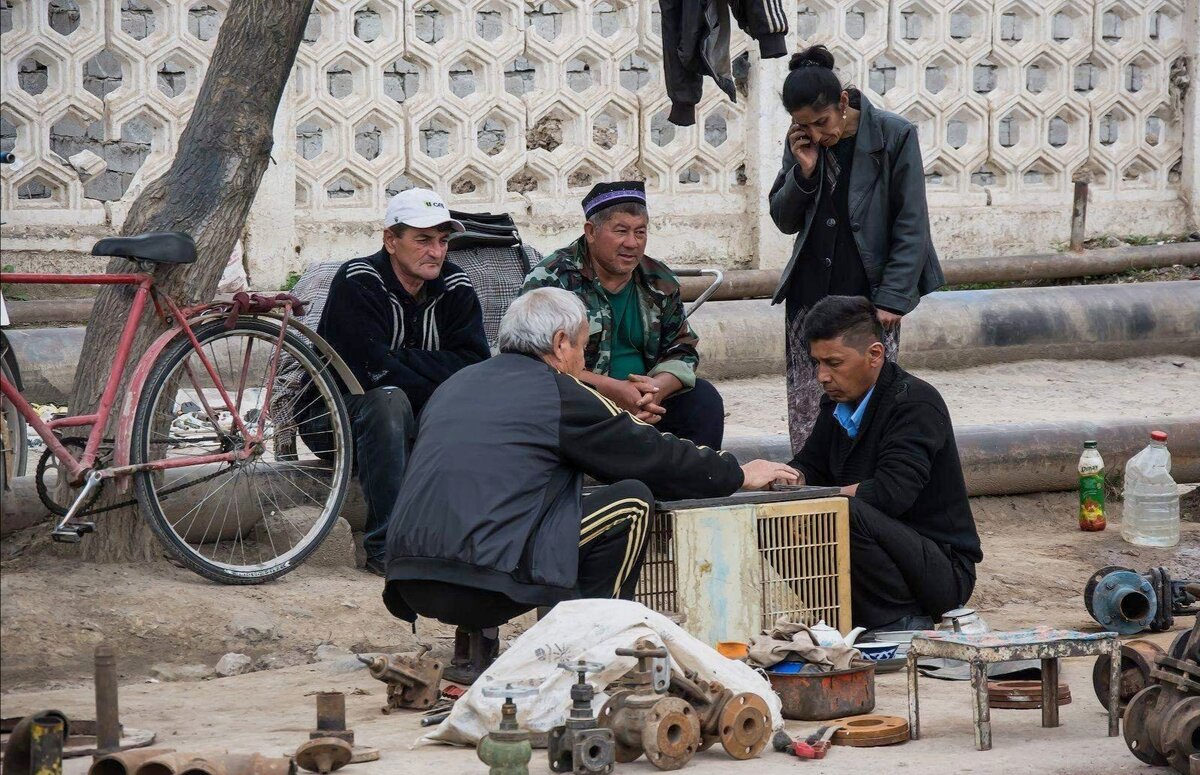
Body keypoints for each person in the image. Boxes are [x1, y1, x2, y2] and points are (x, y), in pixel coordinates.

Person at [382, 287, 798, 671]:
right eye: (583, 345)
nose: (584, 360)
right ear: (561, 343)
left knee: (514, 506)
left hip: (410, 577)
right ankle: (599, 648)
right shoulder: (559, 392)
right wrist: (736, 473)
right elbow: (651, 457)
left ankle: (474, 650)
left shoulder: (455, 385)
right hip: (482, 586)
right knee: (631, 502)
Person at [769, 45, 943, 452]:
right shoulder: (802, 142)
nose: (816, 133)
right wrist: (804, 172)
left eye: (822, 121)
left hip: (869, 298)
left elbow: (912, 222)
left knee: (870, 402)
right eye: (803, 125)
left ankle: (864, 492)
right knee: (811, 406)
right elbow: (783, 219)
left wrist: (894, 298)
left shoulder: (894, 135)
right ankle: (813, 491)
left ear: (843, 102)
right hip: (808, 296)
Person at [310, 188, 490, 575]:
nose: (436, 252)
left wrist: (398, 362)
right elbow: (368, 372)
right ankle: (387, 549)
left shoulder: (456, 285)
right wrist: (434, 369)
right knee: (388, 400)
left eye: (443, 241)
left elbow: (475, 366)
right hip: (335, 422)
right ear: (391, 240)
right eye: (423, 240)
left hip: (416, 423)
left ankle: (467, 542)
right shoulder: (359, 280)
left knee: (476, 405)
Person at [787, 296, 981, 633]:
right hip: (890, 552)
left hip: (941, 571)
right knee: (773, 513)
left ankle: (899, 619)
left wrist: (817, 499)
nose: (821, 376)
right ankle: (847, 615)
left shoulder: (915, 403)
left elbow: (892, 493)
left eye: (834, 363)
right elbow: (809, 466)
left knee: (841, 510)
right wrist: (781, 480)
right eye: (816, 363)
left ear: (874, 355)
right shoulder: (836, 404)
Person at [521, 181, 725, 449]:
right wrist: (609, 389)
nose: (632, 243)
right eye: (621, 231)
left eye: (640, 232)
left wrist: (655, 389)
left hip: (645, 403)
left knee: (703, 399)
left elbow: (682, 348)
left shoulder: (658, 278)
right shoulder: (552, 279)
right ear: (591, 231)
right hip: (580, 402)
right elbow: (533, 361)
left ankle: (696, 485)